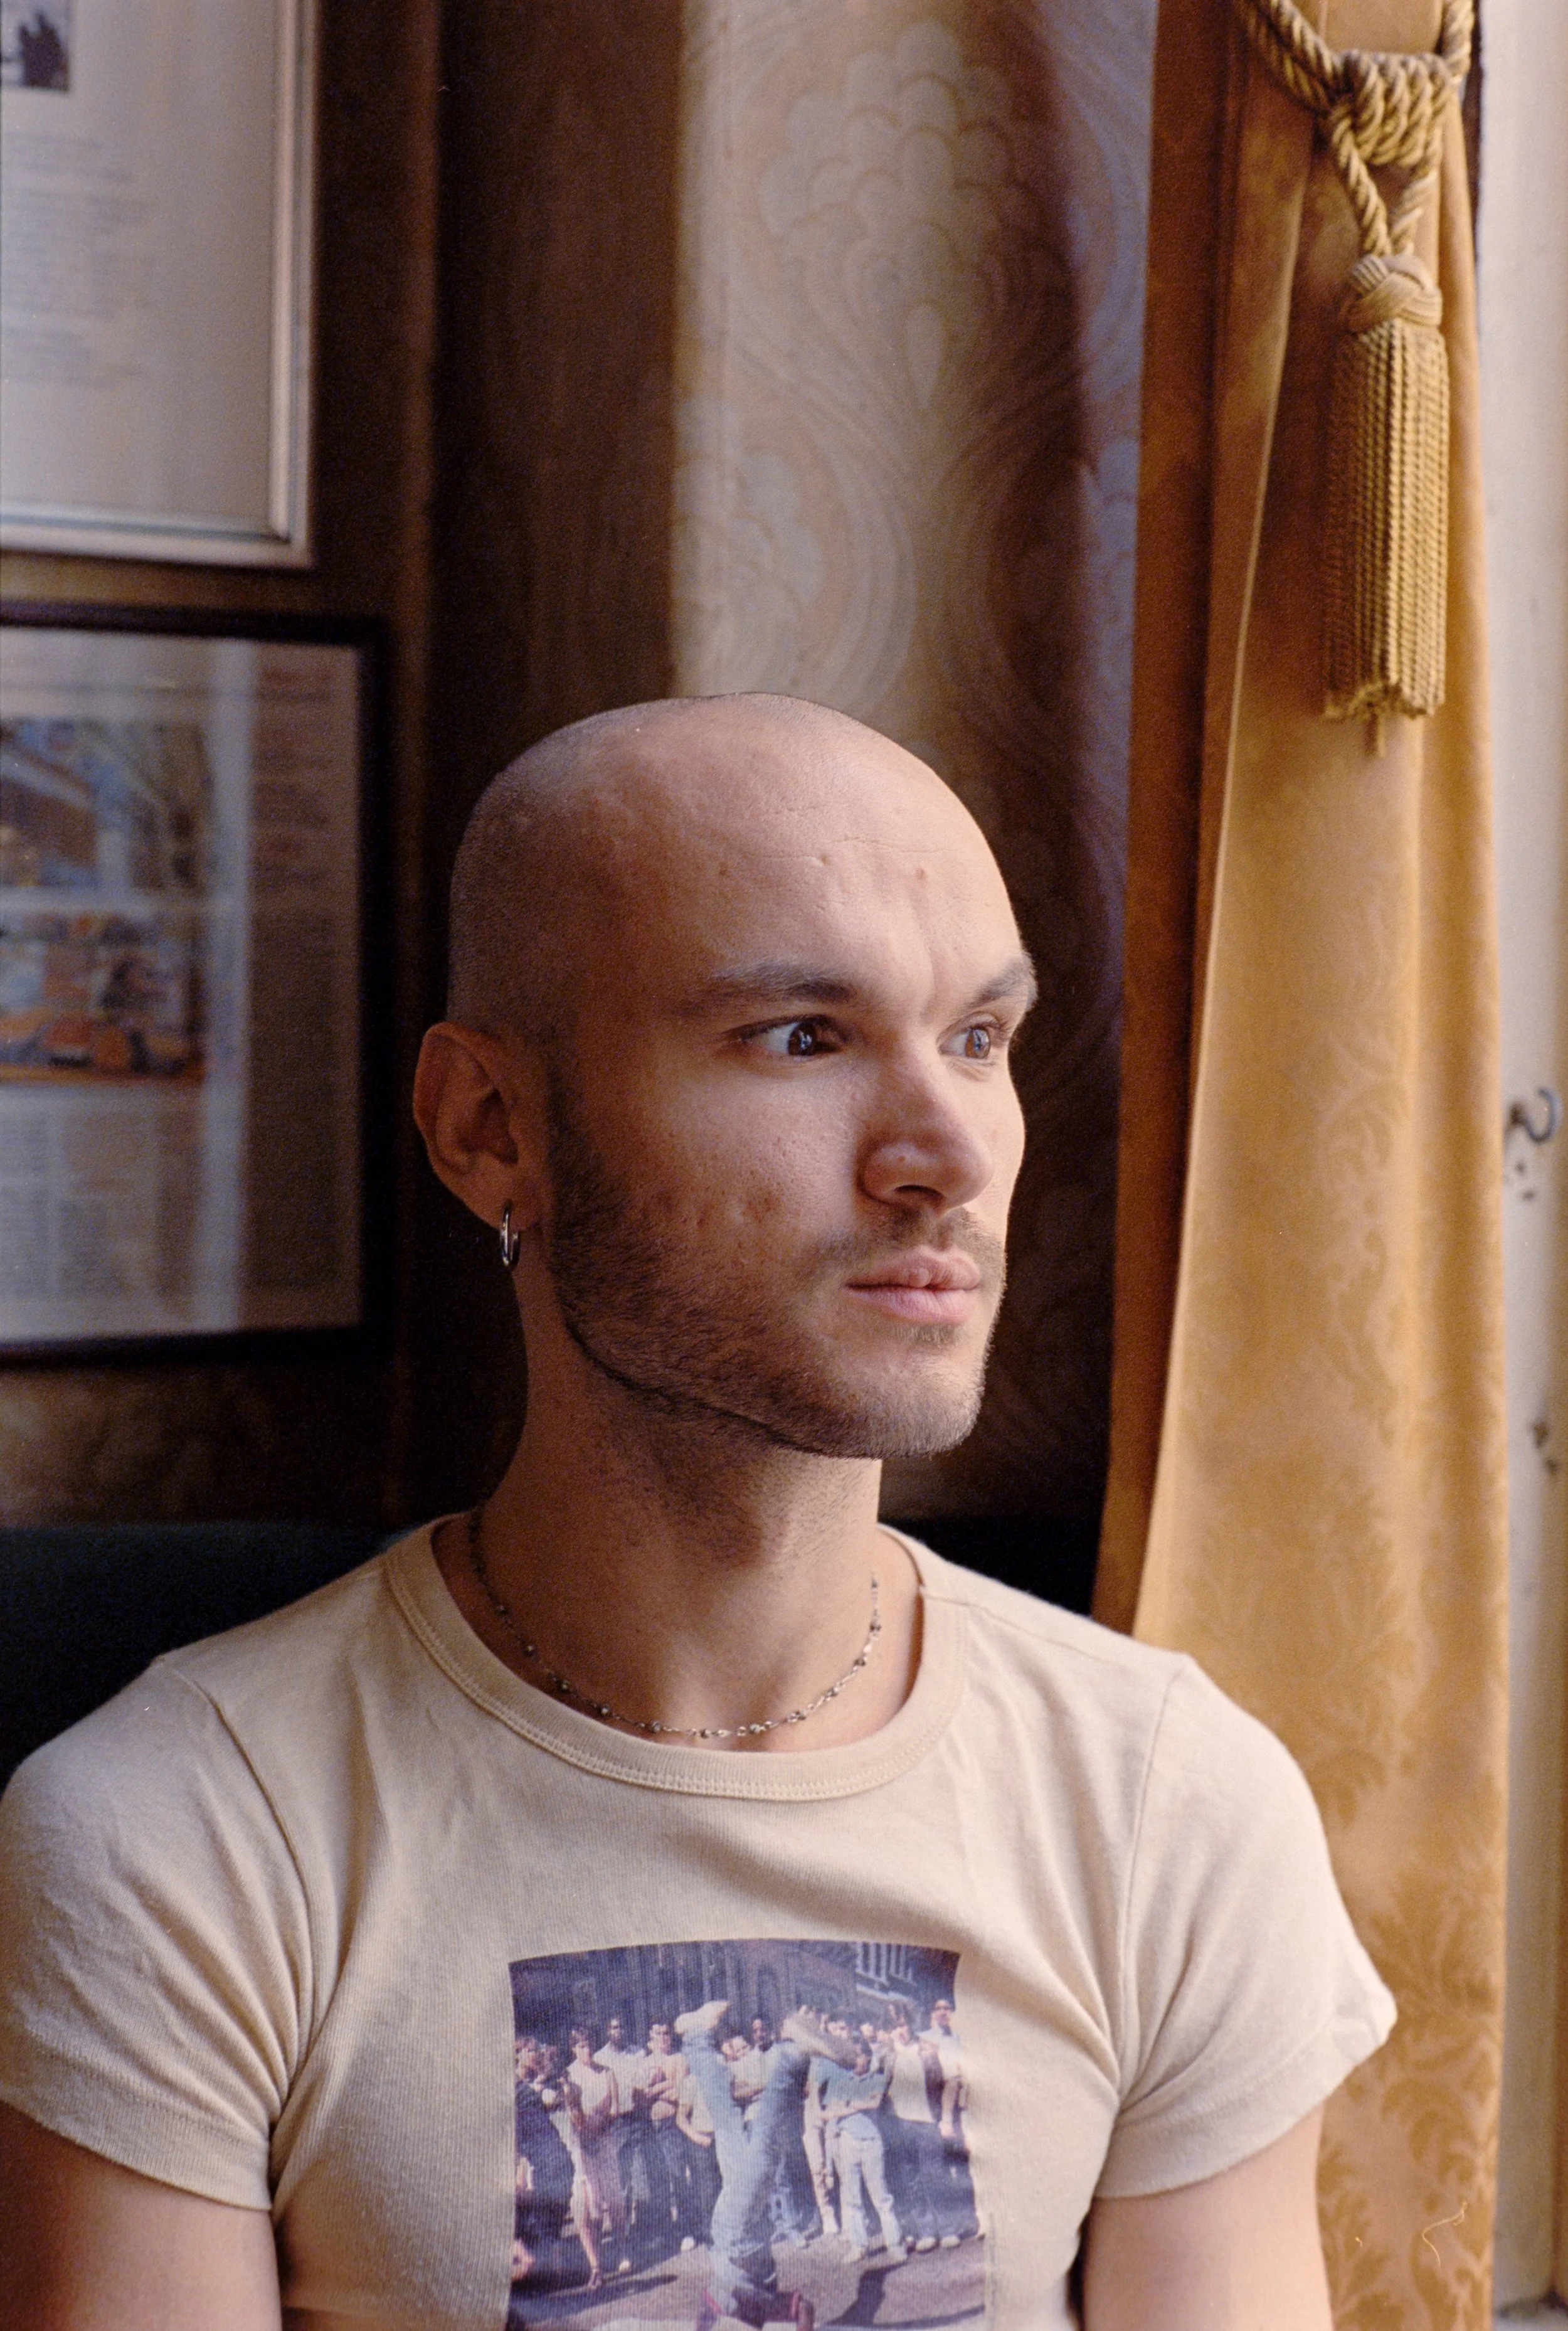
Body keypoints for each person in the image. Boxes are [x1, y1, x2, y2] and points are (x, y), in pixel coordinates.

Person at [0, 693, 1396, 2330]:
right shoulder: (184, 1838)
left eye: (977, 1038)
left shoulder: (1168, 1800)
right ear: (489, 1128)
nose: (945, 1152)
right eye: (799, 1035)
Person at [820, 2042, 906, 2266]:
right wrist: (853, 2106)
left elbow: (874, 2102)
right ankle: (859, 2246)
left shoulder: (876, 2079)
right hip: (847, 2141)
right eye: (853, 2056)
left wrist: (848, 2105)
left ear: (867, 2058)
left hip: (871, 2142)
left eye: (859, 2056)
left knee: (881, 2196)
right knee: (851, 2198)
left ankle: (895, 2244)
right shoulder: (843, 2081)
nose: (856, 2060)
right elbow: (827, 2113)